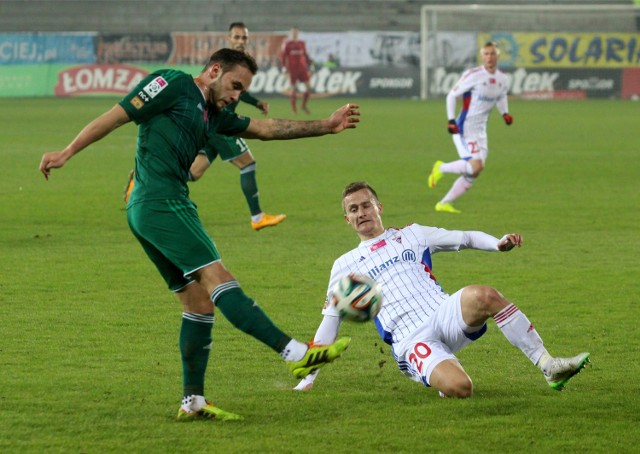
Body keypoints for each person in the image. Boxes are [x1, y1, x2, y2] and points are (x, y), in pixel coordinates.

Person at [39, 48, 359, 421]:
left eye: (243, 91)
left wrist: (326, 125)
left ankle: (192, 403)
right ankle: (297, 355)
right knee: (218, 278)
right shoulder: (173, 84)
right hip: (160, 201)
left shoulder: (216, 114)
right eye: (235, 85)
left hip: (153, 208)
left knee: (198, 304)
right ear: (214, 70)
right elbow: (116, 116)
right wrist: (67, 152)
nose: (237, 95)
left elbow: (266, 129)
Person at [295, 181, 590, 397]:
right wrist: (309, 377)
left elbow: (464, 237)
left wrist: (497, 243)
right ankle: (440, 371)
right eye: (353, 209)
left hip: (443, 312)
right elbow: (329, 323)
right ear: (347, 219)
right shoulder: (344, 265)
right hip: (410, 338)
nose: (361, 213)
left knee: (485, 295)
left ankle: (548, 364)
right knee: (461, 389)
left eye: (366, 205)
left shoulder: (413, 234)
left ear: (379, 207)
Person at [125, 22, 285, 232]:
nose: (240, 41)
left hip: (217, 123)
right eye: (236, 37)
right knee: (247, 163)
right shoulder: (221, 62)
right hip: (219, 122)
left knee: (195, 172)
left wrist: (256, 103)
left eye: (243, 38)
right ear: (229, 38)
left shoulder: (242, 67)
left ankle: (139, 180)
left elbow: (237, 92)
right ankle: (257, 217)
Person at [427, 41, 513, 214]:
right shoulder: (473, 75)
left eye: (493, 53)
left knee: (474, 173)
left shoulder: (503, 79)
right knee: (476, 166)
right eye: (486, 54)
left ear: (498, 56)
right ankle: (441, 168)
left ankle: (444, 203)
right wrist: (450, 119)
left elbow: (501, 96)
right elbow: (452, 95)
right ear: (482, 56)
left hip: (481, 130)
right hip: (464, 128)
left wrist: (505, 113)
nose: (490, 57)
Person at [280, 27, 313, 114]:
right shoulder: (287, 44)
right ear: (291, 33)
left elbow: (305, 55)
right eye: (293, 32)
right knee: (293, 89)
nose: (294, 34)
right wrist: (284, 68)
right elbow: (283, 56)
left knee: (309, 88)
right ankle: (294, 110)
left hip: (302, 69)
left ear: (298, 33)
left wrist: (310, 64)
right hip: (293, 69)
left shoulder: (302, 43)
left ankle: (303, 106)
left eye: (296, 32)